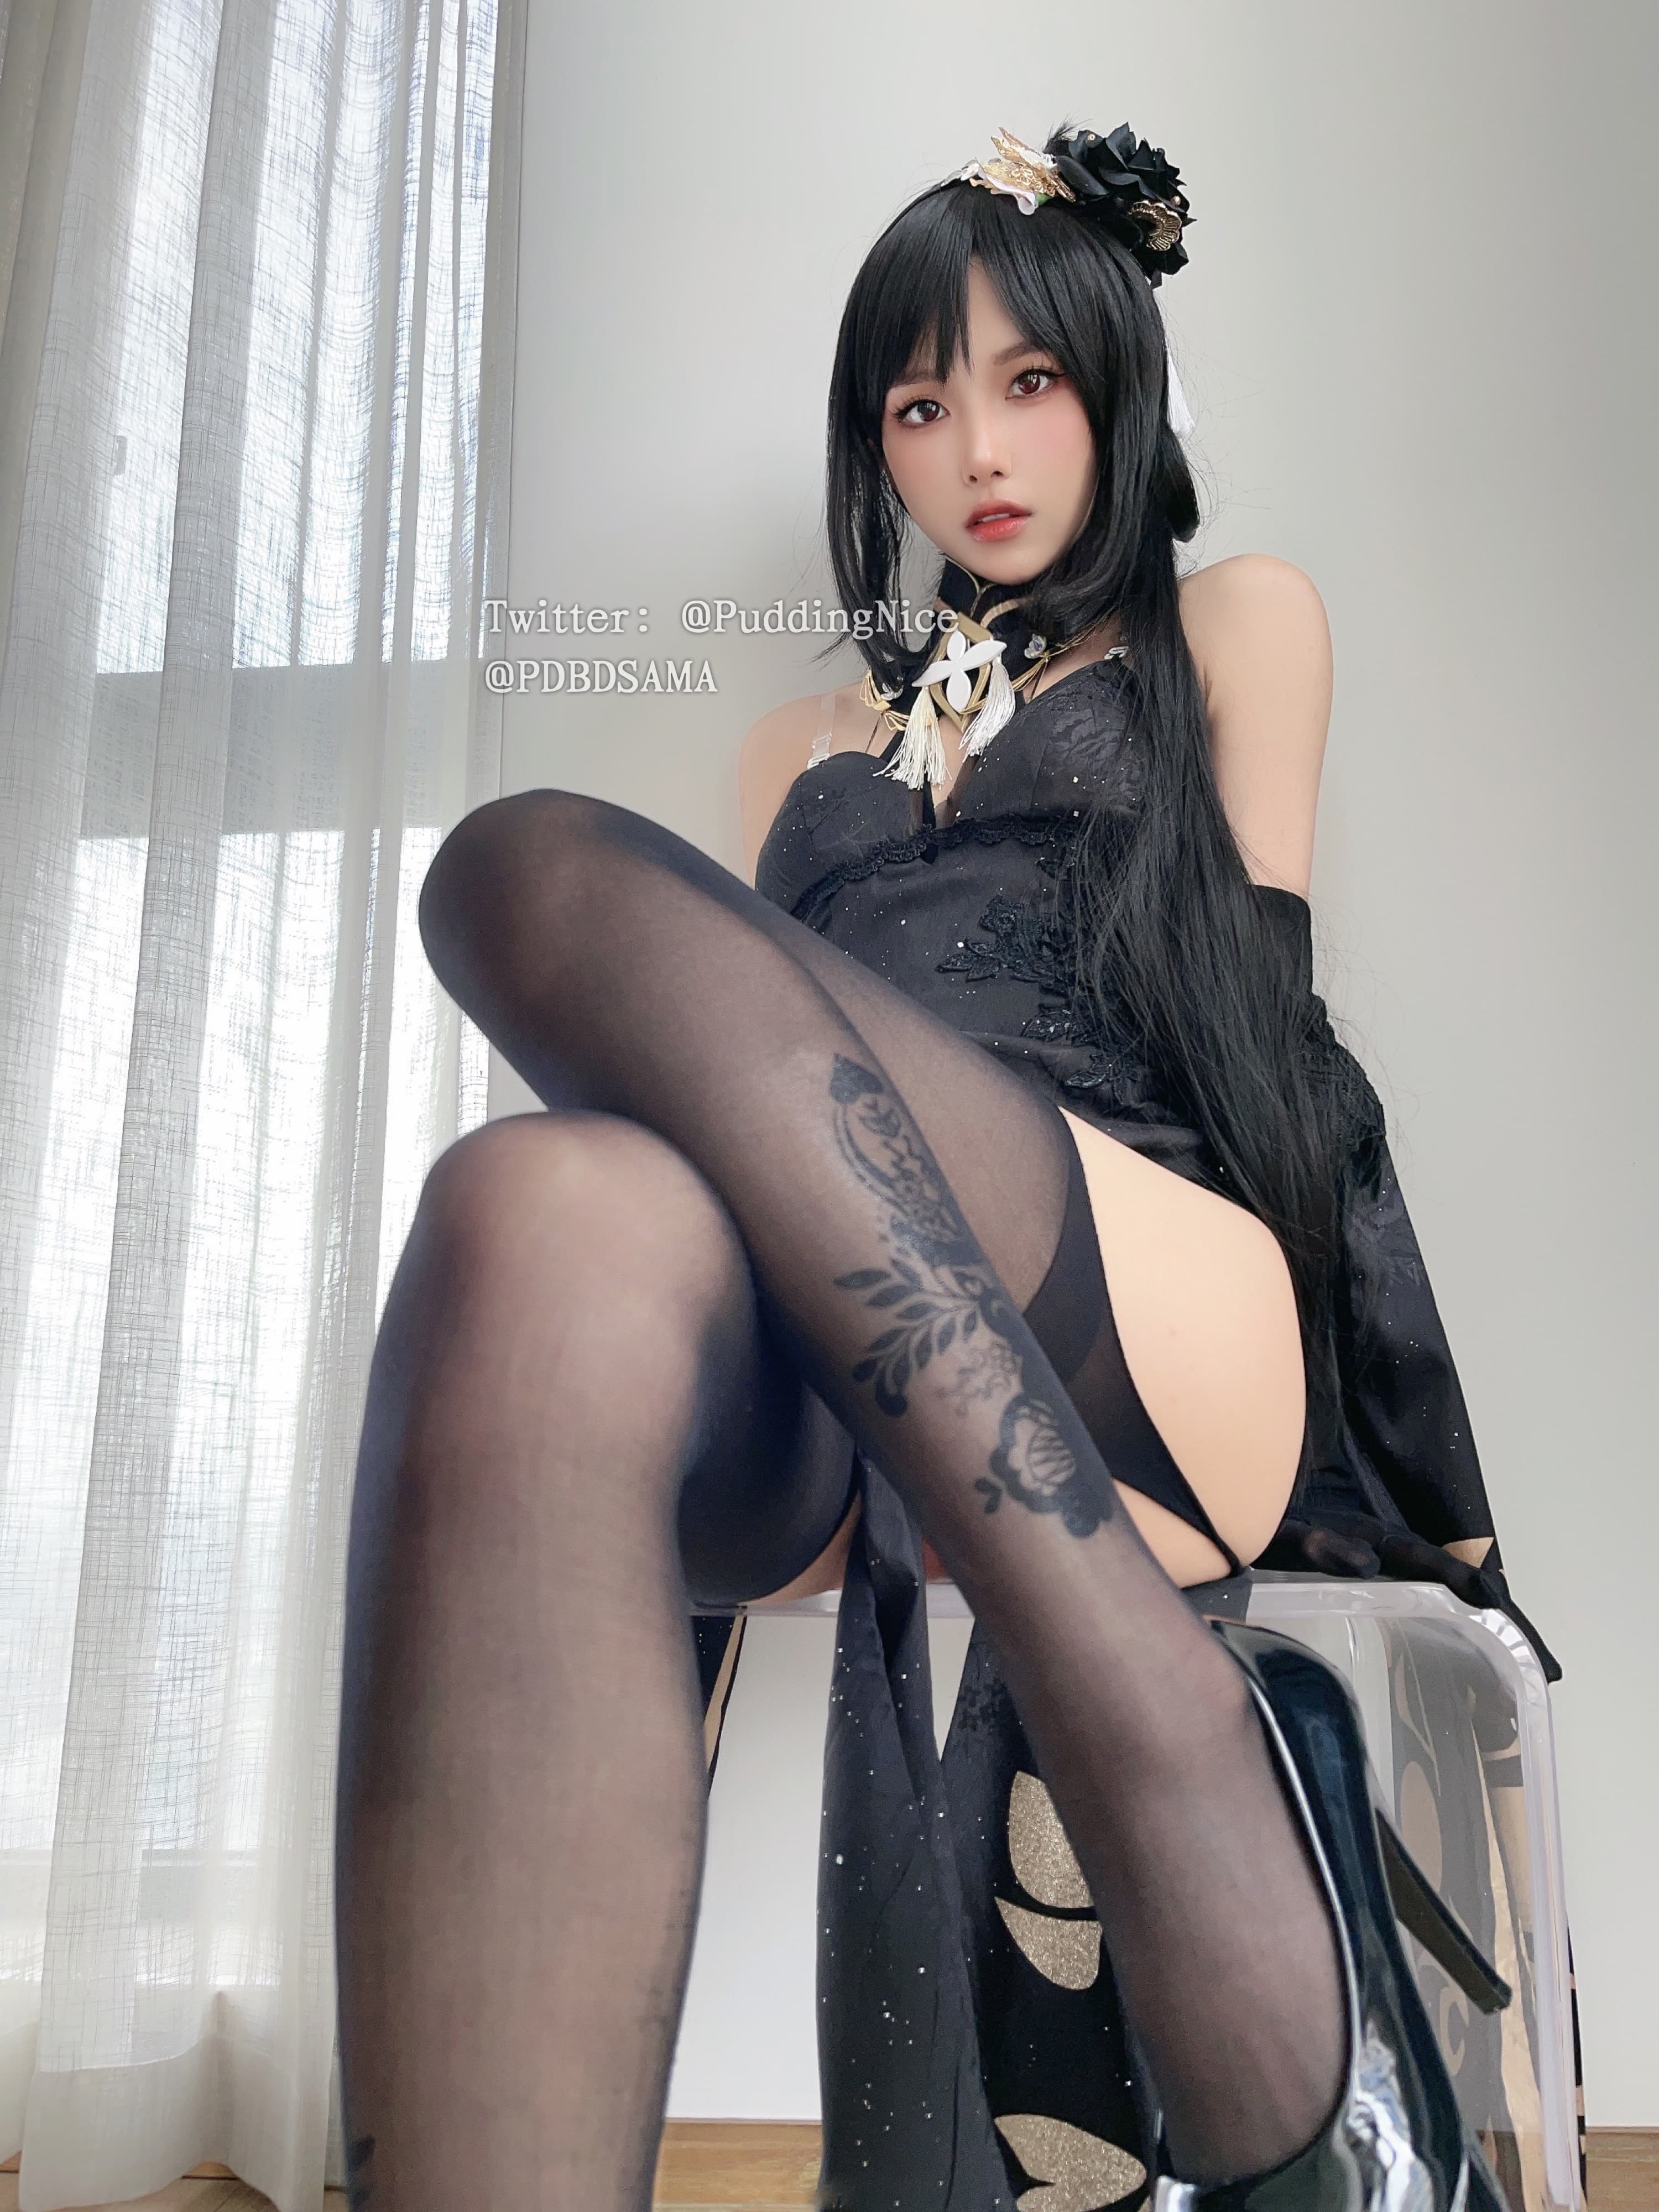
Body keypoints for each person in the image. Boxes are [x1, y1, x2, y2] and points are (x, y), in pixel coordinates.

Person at [334, 124, 1528, 2212]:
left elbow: (1266, 1035)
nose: (973, 448)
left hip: (1152, 1298)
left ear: (1115, 380)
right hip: (845, 1387)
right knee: (532, 1210)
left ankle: (1133, 1701)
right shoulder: (794, 750)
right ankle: (1138, 1702)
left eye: (1027, 381)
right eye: (916, 404)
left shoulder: (1234, 623)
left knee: (523, 867)